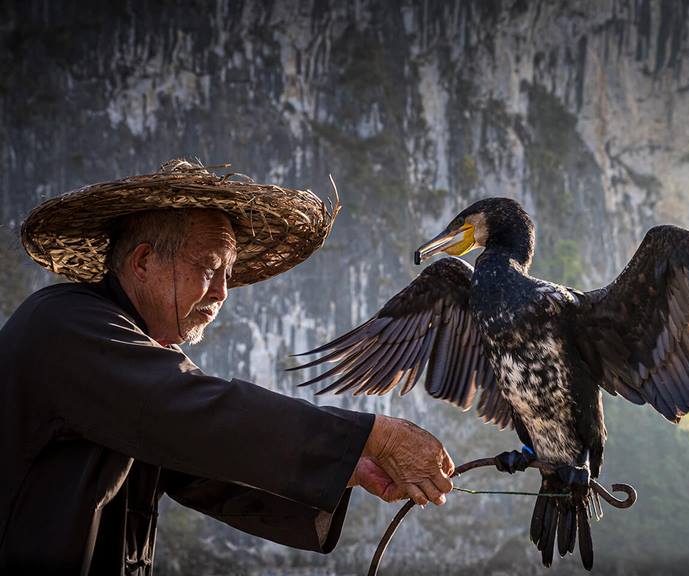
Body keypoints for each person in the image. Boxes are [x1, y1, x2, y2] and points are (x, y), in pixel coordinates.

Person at [0, 160, 454, 574]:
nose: (221, 293)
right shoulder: (65, 327)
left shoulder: (132, 354)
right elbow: (196, 411)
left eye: (228, 275)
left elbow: (209, 470)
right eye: (208, 268)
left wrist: (350, 464)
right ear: (143, 262)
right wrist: (375, 434)